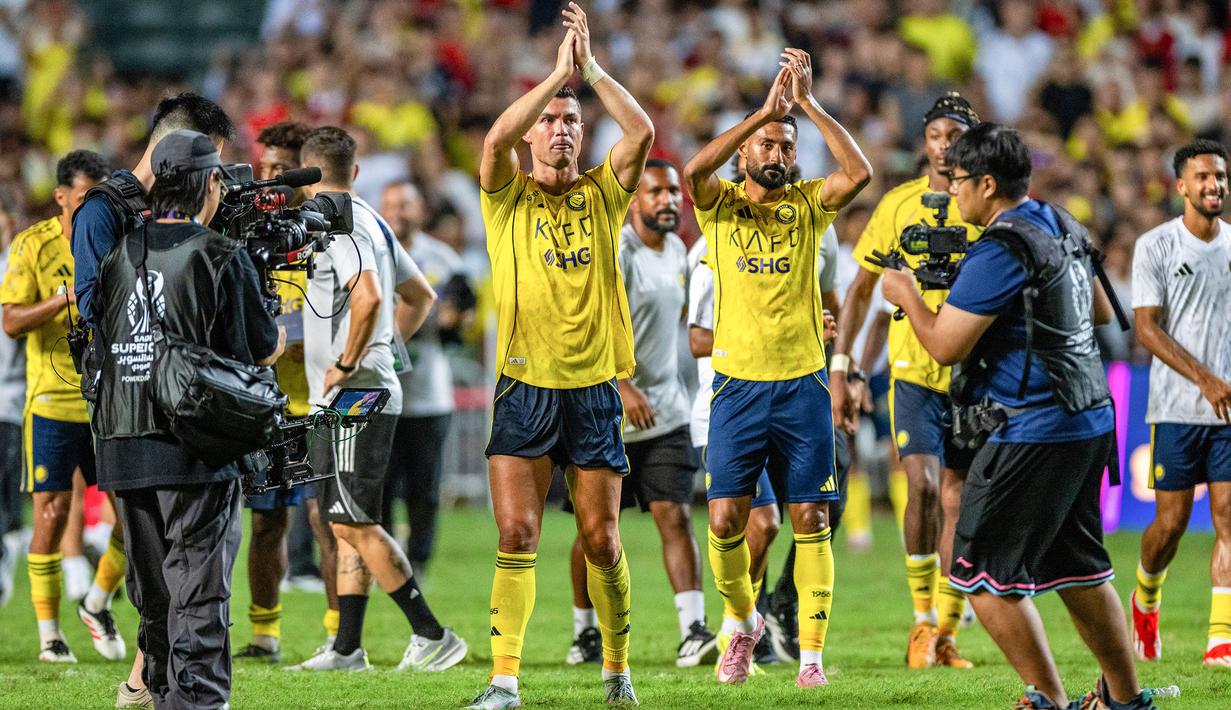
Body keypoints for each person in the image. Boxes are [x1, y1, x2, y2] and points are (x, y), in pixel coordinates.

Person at [880, 122, 1153, 709]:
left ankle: (1047, 700)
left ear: (986, 183)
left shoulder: (1000, 246)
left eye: (957, 184)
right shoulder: (1061, 222)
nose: (952, 196)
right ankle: (1124, 702)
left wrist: (906, 294)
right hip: (1089, 416)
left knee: (976, 575)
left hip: (1032, 425)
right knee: (1081, 569)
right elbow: (1102, 310)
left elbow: (946, 346)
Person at [468, 4, 654, 708]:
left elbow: (640, 131)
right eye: (548, 120)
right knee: (516, 531)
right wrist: (552, 78)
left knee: (601, 541)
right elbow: (493, 139)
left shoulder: (604, 197)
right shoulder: (505, 198)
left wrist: (592, 71)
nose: (560, 128)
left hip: (593, 389)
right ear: (532, 133)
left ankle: (616, 671)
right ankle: (504, 681)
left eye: (571, 119)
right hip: (524, 386)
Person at [682, 47, 871, 688]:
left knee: (811, 518)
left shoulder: (811, 206)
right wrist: (760, 113)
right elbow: (692, 171)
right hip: (735, 384)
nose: (777, 155)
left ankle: (811, 662)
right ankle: (742, 621)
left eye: (786, 147)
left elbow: (861, 171)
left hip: (803, 384)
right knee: (727, 521)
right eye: (766, 146)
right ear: (745, 155)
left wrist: (807, 108)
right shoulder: (721, 207)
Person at [93, 129, 284, 710]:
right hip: (192, 445)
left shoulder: (116, 254)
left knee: (153, 600)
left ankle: (157, 692)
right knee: (198, 596)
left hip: (121, 441)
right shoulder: (219, 254)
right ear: (207, 182)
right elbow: (258, 348)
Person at [71, 90, 236, 709]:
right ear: (174, 151)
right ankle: (166, 686)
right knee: (164, 569)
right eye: (208, 164)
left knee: (182, 566)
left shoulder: (188, 223)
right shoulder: (103, 212)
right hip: (130, 405)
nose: (211, 179)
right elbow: (95, 309)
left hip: (185, 409)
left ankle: (148, 684)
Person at [288, 126, 463, 673]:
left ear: (306, 177)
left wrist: (349, 362)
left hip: (353, 393)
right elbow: (421, 296)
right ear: (355, 173)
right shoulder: (374, 221)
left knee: (354, 522)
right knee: (344, 520)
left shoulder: (337, 227)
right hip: (362, 388)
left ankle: (432, 633)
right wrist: (386, 346)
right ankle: (347, 648)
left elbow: (369, 295)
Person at [831, 92, 981, 669]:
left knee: (958, 500)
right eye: (936, 135)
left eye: (955, 135)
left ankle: (945, 631)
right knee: (919, 486)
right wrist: (846, 369)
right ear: (925, 142)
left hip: (973, 377)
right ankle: (922, 622)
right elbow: (862, 291)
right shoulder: (896, 205)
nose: (944, 145)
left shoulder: (986, 206)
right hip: (914, 375)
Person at [561, 158, 718, 669]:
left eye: (674, 192)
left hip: (665, 412)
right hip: (606, 413)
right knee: (595, 533)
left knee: (674, 515)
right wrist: (622, 382)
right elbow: (592, 322)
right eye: (655, 192)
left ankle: (693, 629)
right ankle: (584, 633)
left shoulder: (676, 250)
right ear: (633, 201)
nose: (669, 201)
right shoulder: (615, 252)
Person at [0, 149, 127, 663]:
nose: (94, 207)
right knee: (49, 516)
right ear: (60, 196)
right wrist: (63, 300)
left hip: (111, 398)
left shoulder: (117, 240)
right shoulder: (31, 245)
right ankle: (51, 636)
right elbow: (10, 321)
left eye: (101, 197)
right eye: (83, 198)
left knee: (133, 513)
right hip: (51, 401)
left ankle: (96, 600)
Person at [1128, 139, 1231, 668]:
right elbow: (1145, 328)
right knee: (1168, 525)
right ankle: (1146, 597)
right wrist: (1206, 378)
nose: (1214, 185)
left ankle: (1221, 640)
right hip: (1174, 409)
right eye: (1204, 177)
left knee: (1228, 517)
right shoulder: (1155, 246)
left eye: (1220, 176)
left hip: (1228, 411)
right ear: (1182, 186)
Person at [231, 119, 321, 665]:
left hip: (319, 404)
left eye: (278, 171)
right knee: (265, 523)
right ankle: (265, 636)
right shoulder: (240, 239)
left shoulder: (321, 236)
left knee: (330, 524)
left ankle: (341, 637)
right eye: (261, 169)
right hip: (266, 402)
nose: (266, 181)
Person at [378, 180, 475, 577]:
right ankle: (383, 560)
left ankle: (419, 559)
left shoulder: (443, 259)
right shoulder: (371, 249)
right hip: (381, 389)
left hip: (428, 391)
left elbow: (462, 316)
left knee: (424, 486)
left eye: (406, 205)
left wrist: (456, 321)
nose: (398, 213)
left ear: (421, 211)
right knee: (380, 483)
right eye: (390, 205)